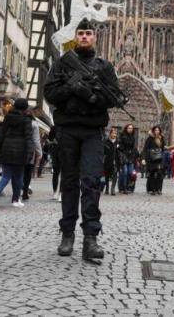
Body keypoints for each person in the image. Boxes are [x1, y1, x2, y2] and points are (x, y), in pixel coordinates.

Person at [43, 18, 121, 261]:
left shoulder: (104, 67)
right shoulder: (62, 63)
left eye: (89, 33)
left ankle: (91, 237)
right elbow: (50, 93)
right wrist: (72, 88)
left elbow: (114, 97)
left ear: (95, 37)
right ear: (75, 37)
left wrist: (90, 94)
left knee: (90, 182)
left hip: (92, 132)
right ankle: (67, 233)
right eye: (81, 33)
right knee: (69, 182)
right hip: (67, 129)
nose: (85, 37)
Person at [0, 98, 34, 208]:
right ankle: (15, 200)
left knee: (6, 175)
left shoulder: (8, 117)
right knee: (18, 176)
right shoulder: (26, 120)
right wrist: (30, 153)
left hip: (6, 147)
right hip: (20, 149)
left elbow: (2, 134)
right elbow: (29, 138)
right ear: (25, 108)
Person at [22, 106, 43, 201]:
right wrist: (39, 152)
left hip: (18, 150)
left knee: (19, 172)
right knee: (27, 173)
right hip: (30, 151)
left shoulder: (19, 121)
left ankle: (18, 191)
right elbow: (36, 139)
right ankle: (25, 192)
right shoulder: (34, 124)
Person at [142, 126, 165, 195]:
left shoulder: (162, 138)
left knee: (160, 174)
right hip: (151, 159)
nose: (157, 131)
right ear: (153, 131)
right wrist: (144, 158)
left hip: (159, 159)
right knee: (151, 174)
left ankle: (159, 189)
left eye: (158, 130)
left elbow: (163, 148)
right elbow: (145, 149)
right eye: (155, 130)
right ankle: (152, 189)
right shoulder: (150, 139)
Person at [118, 124, 139, 194]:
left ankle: (128, 186)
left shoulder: (133, 137)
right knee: (125, 172)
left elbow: (133, 147)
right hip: (124, 156)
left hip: (131, 157)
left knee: (130, 173)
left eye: (131, 128)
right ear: (126, 128)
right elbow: (120, 146)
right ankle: (123, 188)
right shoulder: (122, 136)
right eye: (129, 128)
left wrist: (135, 155)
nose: (130, 129)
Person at [103, 128, 120, 196]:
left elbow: (120, 151)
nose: (114, 135)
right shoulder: (106, 141)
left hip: (115, 161)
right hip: (108, 160)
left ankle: (112, 189)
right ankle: (107, 187)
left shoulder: (118, 142)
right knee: (107, 175)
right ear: (110, 134)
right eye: (113, 133)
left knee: (115, 174)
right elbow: (104, 151)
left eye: (115, 133)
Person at [48, 126, 62, 201]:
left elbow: (49, 138)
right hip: (63, 151)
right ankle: (60, 193)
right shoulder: (66, 126)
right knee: (62, 173)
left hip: (56, 151)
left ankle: (55, 192)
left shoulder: (54, 127)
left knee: (56, 173)